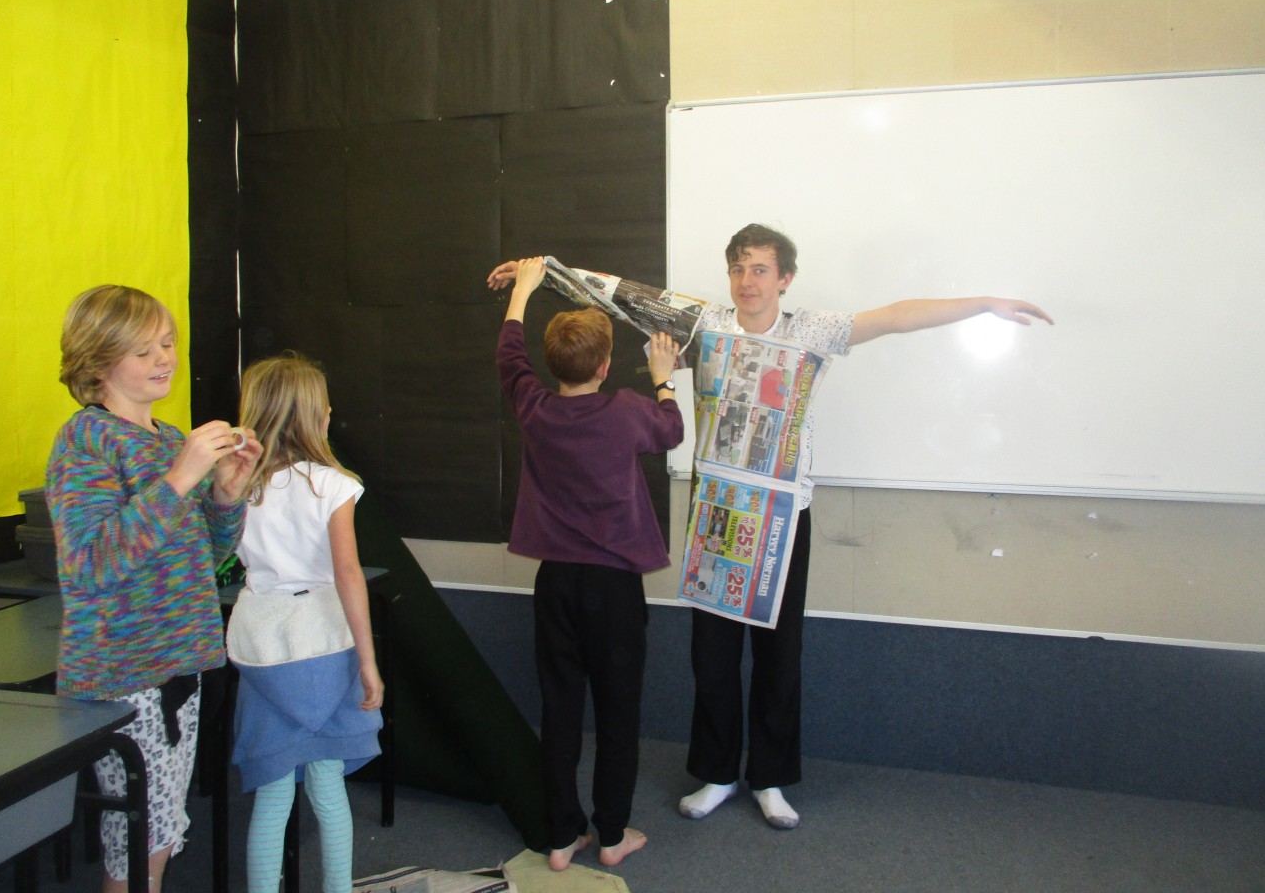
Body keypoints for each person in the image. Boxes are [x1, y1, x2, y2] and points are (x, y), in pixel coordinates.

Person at [487, 224, 1053, 830]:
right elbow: (618, 294)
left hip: (782, 519)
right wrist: (542, 268)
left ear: (785, 278)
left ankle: (770, 778)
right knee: (712, 656)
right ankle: (717, 772)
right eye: (737, 268)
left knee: (779, 655)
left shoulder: (811, 331)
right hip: (718, 513)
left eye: (759, 269)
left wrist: (983, 304)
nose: (746, 281)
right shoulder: (705, 324)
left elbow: (893, 317)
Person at [47, 284, 262, 893]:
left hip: (177, 665)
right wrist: (179, 479)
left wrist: (226, 496)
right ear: (97, 363)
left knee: (160, 832)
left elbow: (201, 559)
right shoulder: (87, 441)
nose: (164, 358)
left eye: (167, 343)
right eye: (143, 351)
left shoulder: (169, 440)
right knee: (139, 842)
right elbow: (89, 564)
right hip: (125, 675)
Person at [497, 257, 684, 871]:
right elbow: (672, 431)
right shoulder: (627, 410)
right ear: (604, 367)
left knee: (560, 711)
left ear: (553, 365)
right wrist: (663, 378)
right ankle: (610, 836)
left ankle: (560, 838)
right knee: (617, 713)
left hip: (556, 585)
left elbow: (509, 357)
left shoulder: (533, 407)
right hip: (613, 590)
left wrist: (523, 293)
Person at [226, 352, 385, 893]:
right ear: (314, 417)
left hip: (263, 646)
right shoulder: (333, 485)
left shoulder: (238, 487)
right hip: (324, 645)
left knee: (272, 796)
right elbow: (347, 573)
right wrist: (368, 661)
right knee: (327, 785)